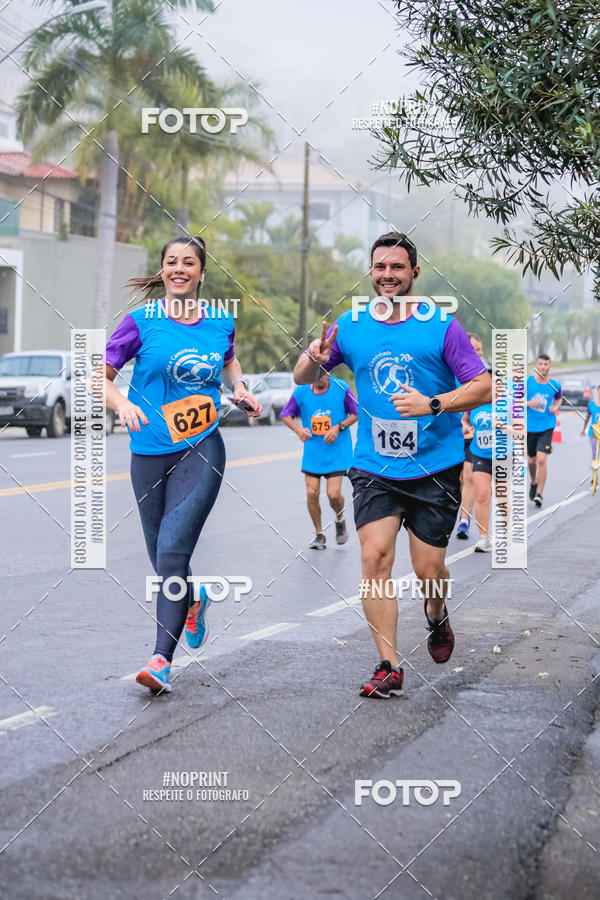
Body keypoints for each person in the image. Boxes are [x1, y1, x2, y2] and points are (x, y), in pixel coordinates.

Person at [293, 231, 491, 698]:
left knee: (428, 572)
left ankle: (436, 613)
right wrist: (313, 360)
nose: (387, 275)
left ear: (414, 273)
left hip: (434, 468)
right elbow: (304, 375)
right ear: (371, 272)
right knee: (374, 558)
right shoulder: (352, 325)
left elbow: (484, 387)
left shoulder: (441, 327)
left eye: (397, 267)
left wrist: (434, 404)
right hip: (374, 466)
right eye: (380, 267)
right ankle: (389, 665)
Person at [103, 236, 262, 694]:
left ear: (201, 273)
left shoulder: (219, 321)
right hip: (147, 450)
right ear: (163, 270)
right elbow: (102, 376)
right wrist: (120, 405)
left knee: (173, 552)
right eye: (172, 262)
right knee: (160, 559)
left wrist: (241, 389)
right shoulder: (139, 323)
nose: (180, 268)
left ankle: (160, 660)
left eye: (188, 262)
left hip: (201, 447)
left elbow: (230, 363)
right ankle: (194, 599)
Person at [280, 371, 358, 549]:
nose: (322, 378)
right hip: (313, 451)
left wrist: (339, 427)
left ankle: (340, 519)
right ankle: (319, 534)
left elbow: (355, 412)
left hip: (337, 451)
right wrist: (298, 430)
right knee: (311, 492)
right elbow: (286, 414)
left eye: (325, 374)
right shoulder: (301, 392)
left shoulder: (341, 387)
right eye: (317, 375)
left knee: (333, 494)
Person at [456, 332, 484, 540]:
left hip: (472, 435)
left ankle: (464, 521)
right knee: (456, 480)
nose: (479, 353)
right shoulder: (450, 370)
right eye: (475, 349)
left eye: (480, 350)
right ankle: (454, 512)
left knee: (469, 476)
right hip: (448, 434)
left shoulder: (482, 376)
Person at [526, 354, 562, 508]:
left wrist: (556, 407)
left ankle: (539, 494)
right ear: (536, 365)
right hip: (529, 427)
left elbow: (559, 398)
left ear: (549, 366)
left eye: (546, 364)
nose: (543, 367)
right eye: (540, 364)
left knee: (541, 459)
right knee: (532, 460)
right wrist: (530, 403)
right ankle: (533, 481)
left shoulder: (555, 385)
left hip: (547, 426)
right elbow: (515, 401)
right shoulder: (527, 382)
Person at [580, 384, 600, 469]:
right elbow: (587, 418)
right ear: (598, 391)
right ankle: (594, 476)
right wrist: (583, 429)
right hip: (594, 433)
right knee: (595, 454)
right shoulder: (591, 404)